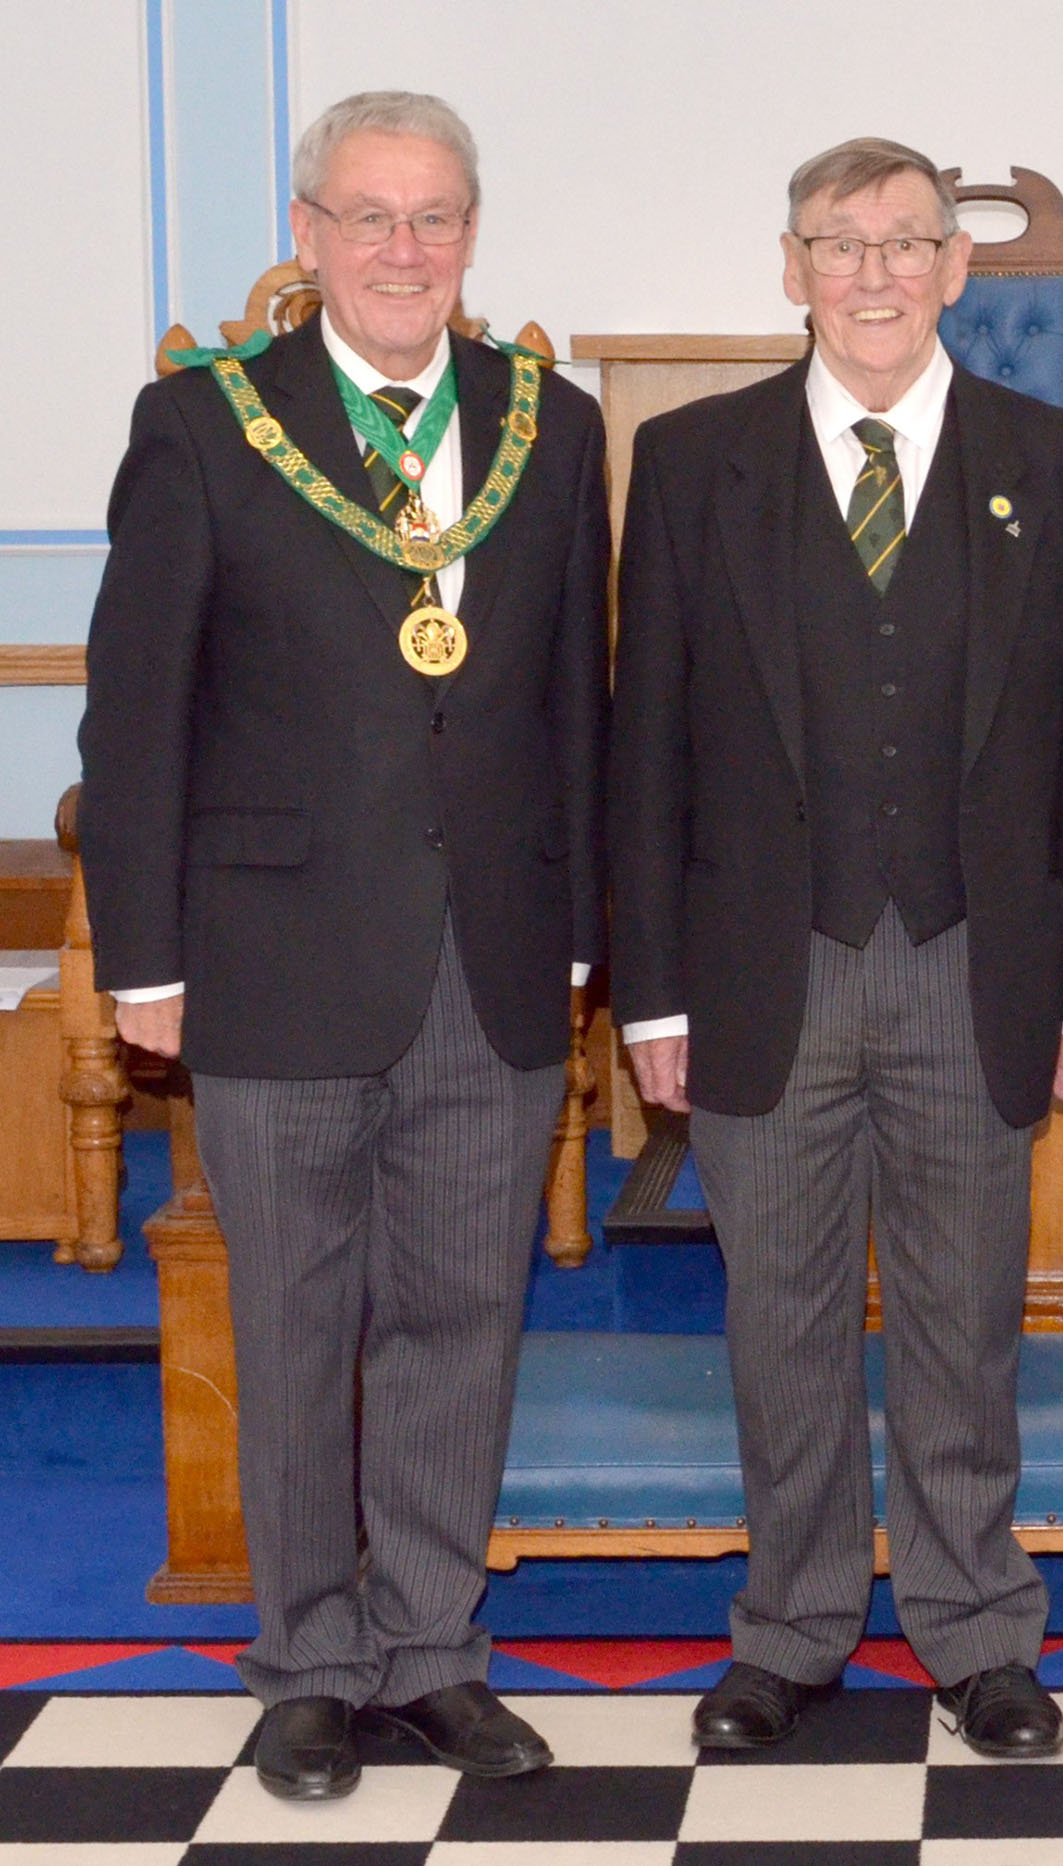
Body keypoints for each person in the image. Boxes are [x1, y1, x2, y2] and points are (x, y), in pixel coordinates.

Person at [78, 91, 608, 1800]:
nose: (403, 248)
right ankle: (310, 1660)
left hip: (493, 956)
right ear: (308, 234)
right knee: (298, 1319)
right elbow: (136, 711)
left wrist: (584, 930)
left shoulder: (553, 423)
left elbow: (576, 702)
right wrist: (142, 960)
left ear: (472, 235)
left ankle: (432, 1646)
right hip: (271, 955)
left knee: (462, 1316)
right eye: (369, 216)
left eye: (435, 217)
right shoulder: (203, 422)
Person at [609, 136, 1063, 1757]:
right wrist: (651, 989)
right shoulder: (693, 463)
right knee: (776, 1321)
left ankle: (976, 1628)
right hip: (759, 969)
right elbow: (645, 751)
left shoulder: (1060, 468)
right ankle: (790, 1628)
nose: (873, 275)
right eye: (838, 245)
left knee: (964, 1319)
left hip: (975, 965)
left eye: (905, 243)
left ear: (955, 270)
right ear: (791, 267)